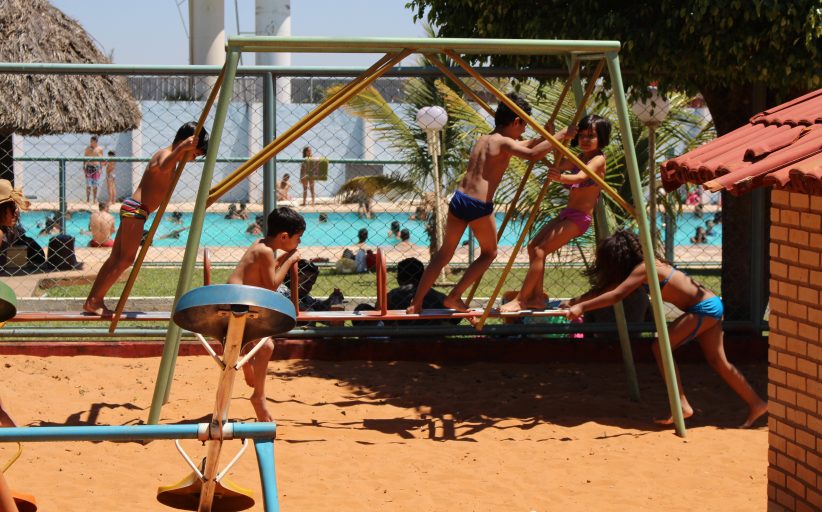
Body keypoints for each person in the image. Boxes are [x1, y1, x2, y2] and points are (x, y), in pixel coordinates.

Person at [562, 230, 767, 427]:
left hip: (704, 308)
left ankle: (681, 404)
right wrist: (574, 301)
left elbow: (616, 295)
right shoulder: (642, 267)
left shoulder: (645, 268)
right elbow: (607, 289)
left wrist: (582, 308)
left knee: (660, 347)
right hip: (710, 304)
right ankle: (757, 403)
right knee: (718, 361)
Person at [407, 93, 555, 314]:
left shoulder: (485, 139)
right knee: (489, 253)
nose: (524, 131)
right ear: (516, 121)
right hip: (478, 205)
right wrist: (560, 136)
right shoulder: (504, 142)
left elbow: (527, 145)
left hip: (459, 200)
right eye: (524, 125)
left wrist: (545, 136)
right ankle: (454, 296)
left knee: (444, 253)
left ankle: (416, 302)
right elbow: (532, 154)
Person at [83, 122, 209, 315]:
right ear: (186, 143)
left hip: (134, 208)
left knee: (115, 258)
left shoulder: (172, 159)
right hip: (137, 210)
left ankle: (92, 300)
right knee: (125, 259)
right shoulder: (165, 155)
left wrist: (183, 151)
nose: (194, 158)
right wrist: (182, 149)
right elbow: (163, 166)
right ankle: (95, 300)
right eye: (195, 153)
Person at [500, 115, 611, 312]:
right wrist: (553, 138)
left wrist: (561, 178)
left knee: (541, 250)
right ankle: (536, 297)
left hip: (579, 218)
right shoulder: (581, 157)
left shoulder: (598, 159)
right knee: (533, 246)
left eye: (591, 136)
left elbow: (581, 176)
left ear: (601, 138)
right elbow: (559, 163)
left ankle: (521, 299)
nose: (585, 139)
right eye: (582, 135)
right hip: (568, 213)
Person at [227, 206, 305, 422]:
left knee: (257, 342)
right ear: (284, 236)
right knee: (266, 347)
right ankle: (258, 397)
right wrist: (290, 260)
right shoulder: (266, 252)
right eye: (298, 238)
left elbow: (267, 271)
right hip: (238, 304)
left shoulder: (261, 245)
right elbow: (271, 285)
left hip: (238, 301)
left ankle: (246, 363)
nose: (299, 242)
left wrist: (285, 257)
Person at [279, 258, 344, 312]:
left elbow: (317, 306)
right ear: (293, 277)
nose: (309, 286)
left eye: (312, 283)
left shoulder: (303, 296)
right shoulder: (282, 291)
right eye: (307, 281)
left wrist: (330, 300)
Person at [84, 135, 104, 205]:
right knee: (88, 185)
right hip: (89, 167)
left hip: (96, 168)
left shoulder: (99, 149)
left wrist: (101, 169)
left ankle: (95, 199)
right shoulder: (87, 149)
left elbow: (101, 160)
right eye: (90, 141)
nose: (91, 142)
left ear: (96, 142)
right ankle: (87, 199)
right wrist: (84, 167)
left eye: (92, 141)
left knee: (95, 185)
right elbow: (84, 158)